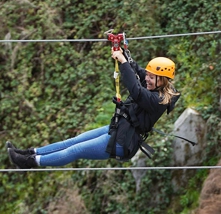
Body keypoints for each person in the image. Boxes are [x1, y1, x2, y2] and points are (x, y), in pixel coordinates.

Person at [7, 49, 180, 168]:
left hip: (122, 141)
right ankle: (27, 154)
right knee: (71, 142)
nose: (147, 79)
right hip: (118, 129)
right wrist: (123, 53)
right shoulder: (154, 86)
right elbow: (137, 70)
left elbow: (135, 90)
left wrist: (122, 61)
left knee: (75, 151)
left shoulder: (158, 100)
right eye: (148, 76)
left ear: (162, 80)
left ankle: (30, 162)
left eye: (151, 78)